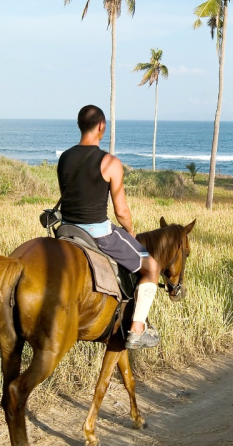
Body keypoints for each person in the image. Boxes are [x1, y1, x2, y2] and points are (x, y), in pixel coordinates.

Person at [57, 105, 161, 350]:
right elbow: (121, 211)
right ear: (101, 126)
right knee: (152, 267)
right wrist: (130, 232)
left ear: (80, 125)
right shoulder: (110, 162)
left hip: (66, 230)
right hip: (98, 233)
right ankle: (137, 329)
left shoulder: (64, 158)